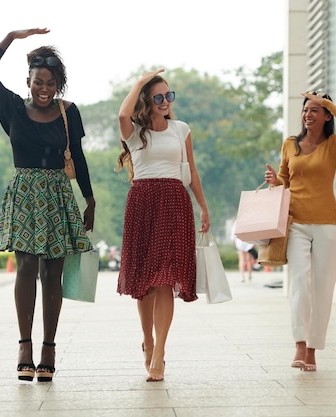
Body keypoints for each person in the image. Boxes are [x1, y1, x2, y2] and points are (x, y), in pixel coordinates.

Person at [0, 28, 96, 382]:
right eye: (37, 82)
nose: (43, 88)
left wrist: (89, 198)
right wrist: (10, 38)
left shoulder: (68, 112)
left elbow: (78, 155)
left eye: (50, 83)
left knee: (52, 273)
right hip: (26, 194)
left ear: (58, 85)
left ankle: (49, 348)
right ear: (27, 80)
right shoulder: (12, 107)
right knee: (27, 266)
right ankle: (25, 346)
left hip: (58, 194)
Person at [116, 69, 210, 382]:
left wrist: (203, 207)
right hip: (142, 203)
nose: (166, 101)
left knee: (166, 279)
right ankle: (148, 340)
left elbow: (192, 171)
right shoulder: (134, 132)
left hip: (174, 202)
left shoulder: (181, 129)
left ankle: (160, 354)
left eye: (169, 96)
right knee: (143, 282)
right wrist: (140, 81)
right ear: (146, 99)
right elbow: (122, 113)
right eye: (158, 97)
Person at [264, 91, 336, 372]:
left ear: (327, 115)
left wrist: (328, 102)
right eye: (306, 110)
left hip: (328, 224)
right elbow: (284, 181)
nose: (308, 114)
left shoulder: (334, 144)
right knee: (300, 285)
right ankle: (300, 344)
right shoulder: (290, 145)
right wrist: (274, 181)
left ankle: (314, 350)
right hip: (296, 224)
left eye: (315, 110)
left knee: (322, 288)